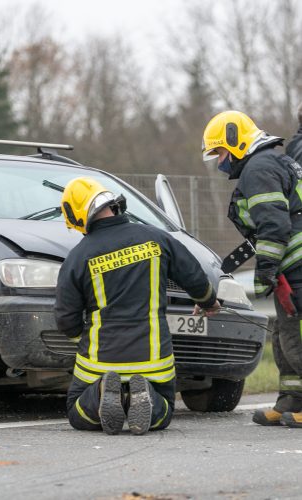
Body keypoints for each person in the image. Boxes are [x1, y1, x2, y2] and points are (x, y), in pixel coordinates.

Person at [54, 177, 220, 435]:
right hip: (154, 360)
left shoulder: (78, 257)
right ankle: (147, 400)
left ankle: (101, 394)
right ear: (114, 203)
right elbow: (194, 276)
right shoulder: (156, 238)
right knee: (165, 411)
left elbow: (66, 318)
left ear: (77, 217)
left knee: (76, 412)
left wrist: (81, 339)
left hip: (100, 362)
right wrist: (207, 302)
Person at [202, 110, 302, 428]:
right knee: (285, 337)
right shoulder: (272, 161)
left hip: (296, 265)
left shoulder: (257, 168)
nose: (219, 162)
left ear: (235, 142)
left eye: (220, 152)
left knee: (296, 336)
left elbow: (273, 222)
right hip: (292, 267)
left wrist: (267, 265)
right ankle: (291, 400)